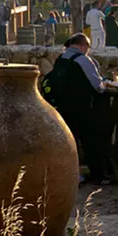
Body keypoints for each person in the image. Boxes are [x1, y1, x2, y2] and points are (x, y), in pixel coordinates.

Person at [42, 34, 111, 183]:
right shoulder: (83, 60)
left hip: (63, 107)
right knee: (91, 141)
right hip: (83, 107)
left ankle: (71, 175)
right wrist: (105, 84)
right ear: (83, 45)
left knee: (70, 141)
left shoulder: (61, 59)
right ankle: (97, 175)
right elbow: (98, 86)